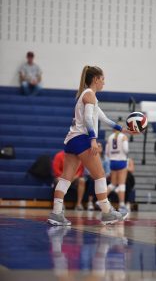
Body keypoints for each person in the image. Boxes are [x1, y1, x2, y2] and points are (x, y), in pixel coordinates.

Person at [48, 65, 137, 226]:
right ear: (95, 79)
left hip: (71, 139)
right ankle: (107, 212)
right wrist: (93, 139)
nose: (104, 82)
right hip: (82, 138)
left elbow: (104, 118)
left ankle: (56, 213)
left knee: (66, 177)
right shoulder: (89, 95)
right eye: (103, 79)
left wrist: (125, 130)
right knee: (100, 175)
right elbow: (89, 120)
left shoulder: (89, 96)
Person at [106, 127, 129, 213]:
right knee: (122, 184)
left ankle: (101, 200)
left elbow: (107, 152)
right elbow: (126, 150)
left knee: (113, 184)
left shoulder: (110, 137)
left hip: (112, 162)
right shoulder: (123, 137)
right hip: (121, 161)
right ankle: (122, 205)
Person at [86, 141, 110, 211]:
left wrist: (102, 177)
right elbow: (87, 170)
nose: (99, 148)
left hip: (103, 177)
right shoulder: (89, 157)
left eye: (100, 146)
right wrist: (95, 176)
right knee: (92, 181)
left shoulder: (106, 158)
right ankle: (90, 202)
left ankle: (103, 202)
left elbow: (108, 172)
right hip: (91, 176)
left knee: (103, 182)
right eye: (98, 146)